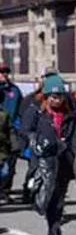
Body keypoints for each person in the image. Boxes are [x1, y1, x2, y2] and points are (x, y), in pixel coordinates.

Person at [28, 73, 76, 235]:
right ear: (46, 96)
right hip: (45, 159)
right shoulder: (35, 110)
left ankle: (55, 234)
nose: (57, 100)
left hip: (65, 159)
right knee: (46, 196)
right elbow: (25, 129)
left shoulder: (73, 109)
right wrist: (36, 141)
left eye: (60, 96)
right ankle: (51, 227)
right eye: (53, 97)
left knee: (58, 197)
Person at [0, 62, 25, 199]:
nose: (4, 74)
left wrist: (18, 125)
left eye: (6, 72)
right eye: (1, 72)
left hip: (11, 130)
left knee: (10, 164)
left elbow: (21, 109)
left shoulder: (14, 90)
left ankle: (5, 190)